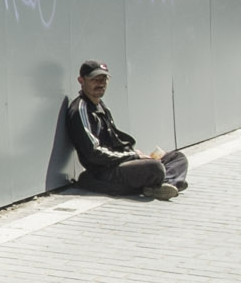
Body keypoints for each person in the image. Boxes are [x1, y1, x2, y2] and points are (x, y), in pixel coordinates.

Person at [65, 60, 189, 199]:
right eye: (95, 79)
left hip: (119, 161)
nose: (100, 84)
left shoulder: (100, 105)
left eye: (104, 79)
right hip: (104, 170)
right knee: (155, 167)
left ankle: (163, 184)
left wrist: (134, 153)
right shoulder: (80, 109)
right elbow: (94, 153)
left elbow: (115, 141)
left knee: (178, 157)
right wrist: (133, 156)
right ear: (81, 81)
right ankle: (167, 182)